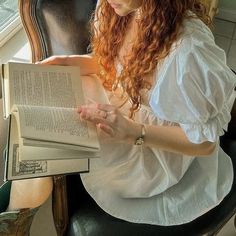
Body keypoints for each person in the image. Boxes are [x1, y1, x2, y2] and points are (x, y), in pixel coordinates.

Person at [1, 0, 236, 233]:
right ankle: (16, 219)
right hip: (120, 100)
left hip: (153, 145)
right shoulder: (119, 7)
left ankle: (15, 223)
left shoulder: (189, 49)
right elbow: (120, 66)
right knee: (38, 115)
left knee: (45, 144)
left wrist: (134, 133)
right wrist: (67, 62)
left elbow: (205, 143)